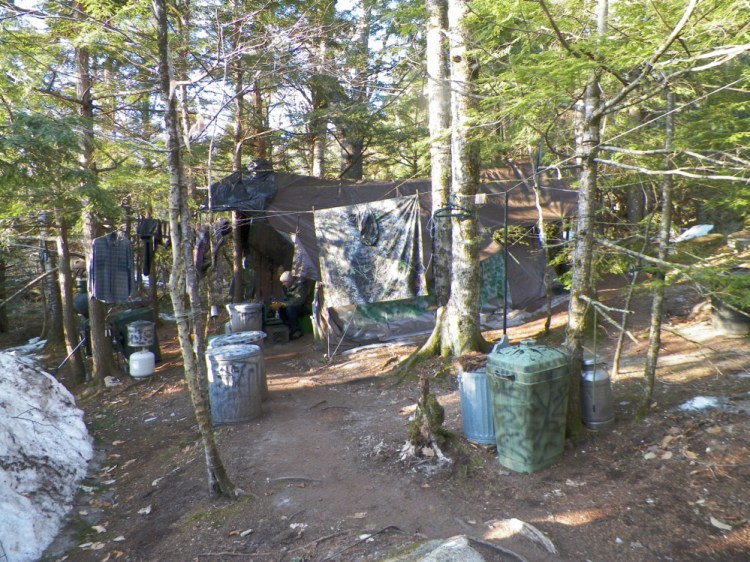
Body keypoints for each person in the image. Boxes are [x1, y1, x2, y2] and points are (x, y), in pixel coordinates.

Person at [270, 271, 309, 340]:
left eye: (284, 282)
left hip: (303, 307)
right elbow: (286, 299)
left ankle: (297, 331)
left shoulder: (300, 286)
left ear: (289, 281)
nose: (283, 284)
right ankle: (290, 329)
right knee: (281, 309)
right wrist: (278, 304)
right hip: (292, 307)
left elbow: (299, 301)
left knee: (290, 309)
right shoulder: (287, 288)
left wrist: (283, 304)